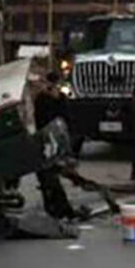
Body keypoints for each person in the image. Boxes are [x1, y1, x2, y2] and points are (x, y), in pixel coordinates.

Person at [33, 72, 81, 219]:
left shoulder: (59, 98)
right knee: (48, 176)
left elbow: (66, 117)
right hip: (48, 140)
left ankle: (59, 208)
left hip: (55, 139)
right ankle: (57, 207)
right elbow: (41, 119)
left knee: (50, 176)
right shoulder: (42, 99)